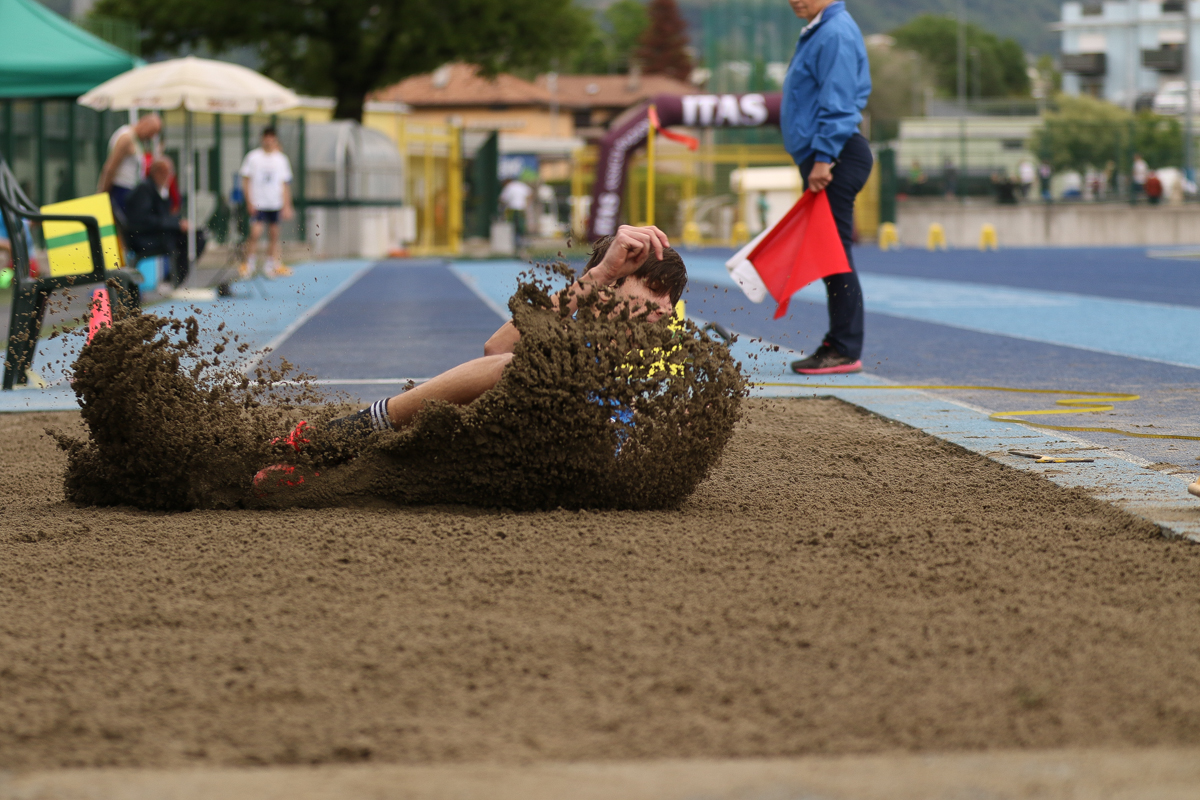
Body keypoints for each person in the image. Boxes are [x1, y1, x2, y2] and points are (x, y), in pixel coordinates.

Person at [255, 225, 685, 492]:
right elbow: (497, 351)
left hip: (525, 483)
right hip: (478, 456)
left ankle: (336, 476)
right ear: (611, 288)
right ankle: (329, 443)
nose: (667, 308)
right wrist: (599, 274)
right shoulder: (562, 341)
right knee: (518, 367)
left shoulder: (641, 383)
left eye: (672, 298)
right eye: (654, 290)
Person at [780, 0, 872, 375]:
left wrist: (823, 157)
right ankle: (841, 344)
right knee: (829, 252)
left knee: (834, 254)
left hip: (834, 156)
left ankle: (843, 348)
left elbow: (839, 102)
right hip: (828, 154)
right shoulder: (819, 30)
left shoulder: (834, 32)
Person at [123, 157, 206, 288]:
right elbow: (144, 220)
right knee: (195, 238)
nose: (169, 177)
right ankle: (172, 281)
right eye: (168, 173)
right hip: (145, 239)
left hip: (156, 235)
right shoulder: (145, 189)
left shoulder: (157, 190)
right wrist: (176, 224)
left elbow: (159, 217)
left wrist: (178, 222)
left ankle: (173, 280)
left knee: (197, 235)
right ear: (157, 172)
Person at [239, 127, 294, 280]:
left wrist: (287, 205)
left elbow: (285, 184)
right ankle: (249, 264)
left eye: (272, 137)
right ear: (262, 139)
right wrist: (249, 201)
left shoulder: (281, 159)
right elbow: (246, 180)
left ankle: (270, 264)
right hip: (259, 202)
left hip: (275, 203)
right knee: (255, 233)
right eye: (266, 137)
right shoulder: (253, 157)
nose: (269, 141)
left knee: (274, 235)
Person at [98, 113, 162, 215]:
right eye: (151, 132)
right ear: (144, 123)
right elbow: (110, 167)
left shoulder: (135, 139)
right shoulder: (126, 138)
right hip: (120, 190)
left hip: (129, 191)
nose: (150, 137)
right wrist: (102, 194)